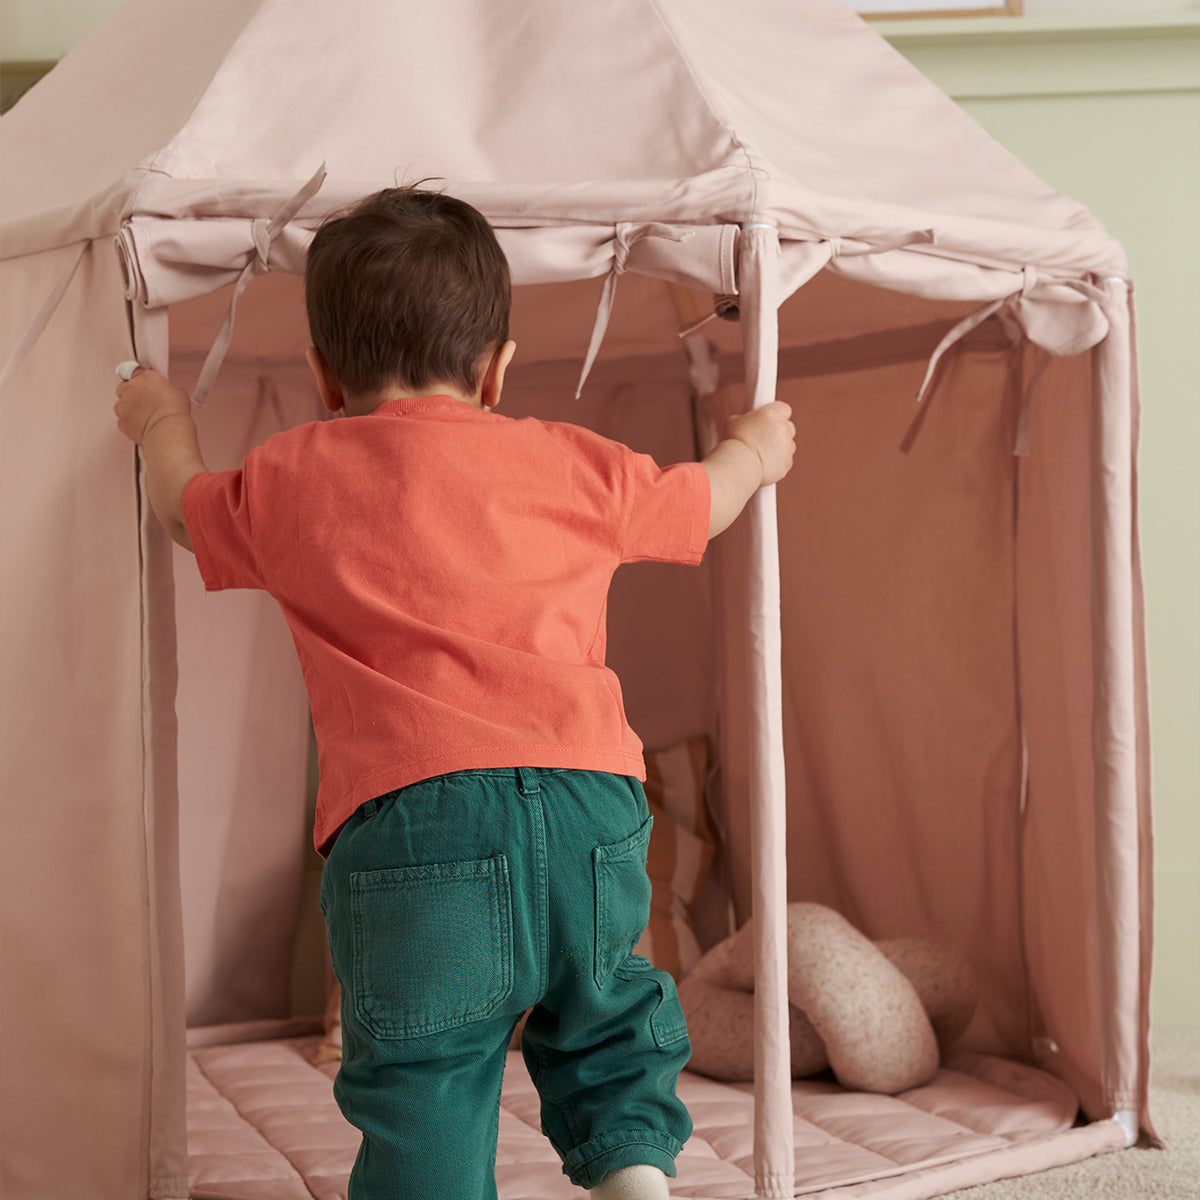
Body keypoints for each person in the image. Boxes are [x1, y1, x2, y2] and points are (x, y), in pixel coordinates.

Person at [114, 186, 795, 1200]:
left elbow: (180, 511)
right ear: (498, 369)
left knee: (423, 1083)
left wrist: (159, 417)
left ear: (323, 375)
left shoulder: (296, 474)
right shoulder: (570, 462)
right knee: (608, 1022)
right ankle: (637, 1185)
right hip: (590, 806)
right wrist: (756, 448)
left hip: (414, 828)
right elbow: (705, 500)